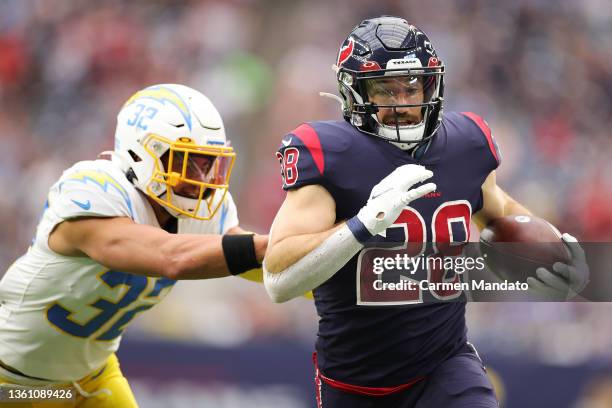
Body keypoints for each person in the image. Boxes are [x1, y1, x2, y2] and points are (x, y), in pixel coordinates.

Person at [263, 16, 589, 407]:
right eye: (386, 90)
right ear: (355, 93)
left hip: (445, 367)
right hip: (354, 383)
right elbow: (278, 279)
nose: (403, 103)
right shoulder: (329, 152)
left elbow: (502, 214)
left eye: (412, 86)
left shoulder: (464, 144)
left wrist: (555, 254)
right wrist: (364, 223)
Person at [0, 84, 267, 407]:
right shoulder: (94, 190)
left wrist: (326, 265)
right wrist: (271, 247)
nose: (203, 179)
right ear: (141, 153)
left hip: (93, 375)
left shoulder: (198, 208)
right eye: (188, 162)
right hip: (12, 381)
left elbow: (255, 261)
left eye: (208, 164)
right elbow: (171, 257)